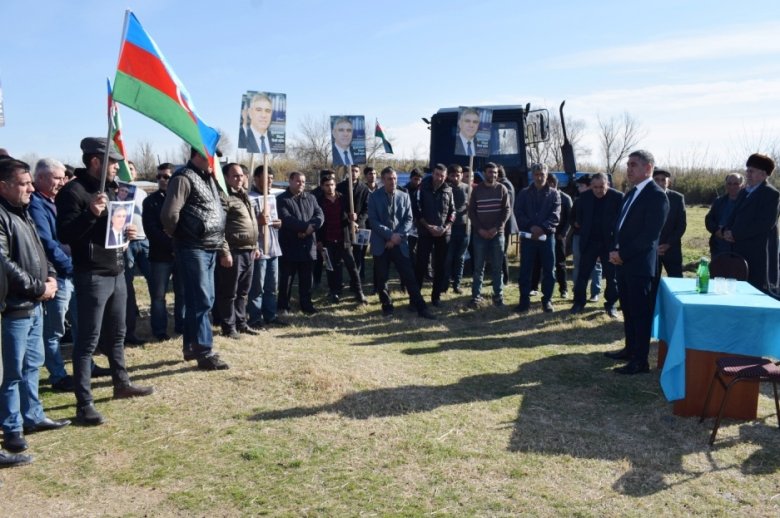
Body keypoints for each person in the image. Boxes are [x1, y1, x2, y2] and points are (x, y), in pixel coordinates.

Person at [57, 138, 155, 424]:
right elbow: (65, 234)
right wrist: (91, 213)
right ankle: (84, 403)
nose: (117, 167)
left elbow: (113, 228)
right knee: (87, 341)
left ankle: (121, 384)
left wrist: (128, 231)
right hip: (91, 274)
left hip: (117, 270)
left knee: (118, 334)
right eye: (112, 162)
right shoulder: (73, 192)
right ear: (96, 162)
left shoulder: (115, 189)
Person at [0, 158, 69, 453]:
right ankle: (12, 426)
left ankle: (33, 415)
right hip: (14, 307)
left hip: (35, 304)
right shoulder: (2, 215)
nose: (31, 188)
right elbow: (4, 262)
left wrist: (51, 276)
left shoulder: (24, 212)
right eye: (24, 183)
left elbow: (41, 250)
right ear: (3, 186)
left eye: (30, 182)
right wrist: (37, 287)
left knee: (32, 365)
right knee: (11, 372)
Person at [161, 147, 229, 371]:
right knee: (202, 300)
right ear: (198, 155)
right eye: (211, 157)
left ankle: (191, 346)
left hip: (208, 246)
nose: (214, 162)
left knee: (197, 299)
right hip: (192, 247)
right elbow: (169, 215)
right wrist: (181, 236)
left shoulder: (207, 178)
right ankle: (205, 351)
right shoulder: (183, 178)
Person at [606, 150, 669, 375]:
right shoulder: (631, 193)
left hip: (639, 265)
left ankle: (640, 361)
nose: (629, 168)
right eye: (628, 164)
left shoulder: (656, 195)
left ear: (648, 168)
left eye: (633, 164)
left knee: (641, 313)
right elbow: (619, 226)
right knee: (629, 310)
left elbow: (649, 235)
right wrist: (615, 250)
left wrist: (623, 254)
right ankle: (630, 349)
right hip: (623, 262)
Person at [28, 158, 75, 391]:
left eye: (63, 177)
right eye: (58, 177)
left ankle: (86, 365)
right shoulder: (36, 204)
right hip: (60, 274)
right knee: (54, 328)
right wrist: (67, 266)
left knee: (78, 323)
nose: (62, 181)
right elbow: (47, 242)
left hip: (73, 270)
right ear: (42, 178)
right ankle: (58, 375)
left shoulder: (57, 200)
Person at [368, 167, 435, 319]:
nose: (393, 181)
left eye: (395, 178)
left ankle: (421, 307)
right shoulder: (374, 197)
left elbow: (409, 219)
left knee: (409, 276)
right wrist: (390, 235)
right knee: (382, 278)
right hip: (382, 244)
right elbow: (373, 221)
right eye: (389, 179)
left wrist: (397, 236)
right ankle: (387, 306)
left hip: (399, 243)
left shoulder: (404, 195)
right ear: (383, 180)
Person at [723, 153, 780, 292]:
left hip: (758, 252)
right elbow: (734, 215)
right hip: (738, 250)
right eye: (747, 170)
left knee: (757, 289)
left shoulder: (771, 194)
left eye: (751, 171)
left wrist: (735, 233)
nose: (747, 174)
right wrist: (726, 230)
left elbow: (765, 224)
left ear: (763, 174)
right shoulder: (744, 192)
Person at [216, 163, 261, 339]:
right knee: (229, 292)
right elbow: (219, 227)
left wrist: (255, 246)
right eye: (235, 176)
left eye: (241, 175)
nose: (239, 178)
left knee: (243, 291)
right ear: (226, 178)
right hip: (233, 251)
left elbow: (252, 223)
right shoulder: (224, 197)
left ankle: (241, 323)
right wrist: (224, 252)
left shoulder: (245, 196)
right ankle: (228, 327)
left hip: (248, 250)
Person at [569, 172, 622, 317]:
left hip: (609, 243)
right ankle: (579, 303)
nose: (598, 190)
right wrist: (578, 225)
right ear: (591, 186)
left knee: (612, 276)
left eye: (601, 187)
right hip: (589, 242)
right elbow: (575, 216)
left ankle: (610, 304)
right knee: (582, 274)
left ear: (608, 185)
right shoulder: (584, 198)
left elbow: (622, 221)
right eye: (595, 187)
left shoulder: (618, 197)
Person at [142, 163, 184, 341]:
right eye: (158, 177)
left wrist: (178, 240)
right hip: (160, 256)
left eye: (165, 177)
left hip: (181, 253)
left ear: (174, 178)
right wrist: (171, 243)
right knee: (158, 295)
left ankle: (181, 325)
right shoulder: (150, 201)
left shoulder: (183, 198)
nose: (161, 180)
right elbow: (151, 229)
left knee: (182, 292)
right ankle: (159, 329)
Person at [515, 163, 561, 313]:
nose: (539, 177)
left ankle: (547, 300)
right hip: (528, 238)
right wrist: (531, 227)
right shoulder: (523, 193)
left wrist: (542, 228)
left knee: (549, 270)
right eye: (536, 174)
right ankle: (524, 301)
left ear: (546, 175)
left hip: (547, 238)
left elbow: (555, 215)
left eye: (542, 174)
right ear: (532, 175)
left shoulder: (555, 194)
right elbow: (518, 212)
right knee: (525, 270)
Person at [315, 174, 367, 303]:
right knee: (331, 267)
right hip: (327, 239)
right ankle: (334, 291)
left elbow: (350, 215)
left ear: (335, 185)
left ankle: (358, 291)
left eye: (332, 185)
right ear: (322, 187)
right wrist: (319, 240)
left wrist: (353, 219)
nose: (330, 188)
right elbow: (317, 222)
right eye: (327, 185)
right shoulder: (318, 201)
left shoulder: (344, 199)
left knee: (352, 265)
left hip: (344, 238)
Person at [277, 171, 323, 314]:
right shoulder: (282, 199)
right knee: (287, 278)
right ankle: (283, 306)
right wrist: (304, 227)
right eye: (298, 181)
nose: (301, 184)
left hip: (308, 245)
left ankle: (306, 304)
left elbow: (319, 215)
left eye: (303, 182)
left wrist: (311, 228)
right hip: (290, 244)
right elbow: (286, 218)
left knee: (306, 278)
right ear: (290, 181)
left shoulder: (311, 197)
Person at [247, 165, 286, 328]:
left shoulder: (272, 197)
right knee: (258, 286)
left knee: (272, 285)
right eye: (266, 177)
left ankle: (270, 315)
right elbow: (244, 224)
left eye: (271, 178)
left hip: (273, 246)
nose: (269, 181)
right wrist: (257, 221)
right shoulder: (249, 198)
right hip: (259, 247)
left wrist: (278, 223)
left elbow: (273, 220)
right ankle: (255, 317)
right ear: (256, 178)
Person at [468, 162, 511, 307]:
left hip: (497, 234)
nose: (493, 175)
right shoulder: (477, 190)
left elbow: (506, 211)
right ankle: (476, 296)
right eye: (490, 172)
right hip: (479, 234)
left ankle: (498, 296)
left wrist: (495, 228)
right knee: (478, 267)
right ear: (484, 173)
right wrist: (480, 229)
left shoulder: (502, 189)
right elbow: (472, 211)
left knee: (497, 267)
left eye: (495, 172)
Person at [413, 163, 454, 306]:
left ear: (445, 176)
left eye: (442, 176)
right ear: (433, 173)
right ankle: (416, 298)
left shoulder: (449, 189)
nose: (439, 178)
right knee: (421, 264)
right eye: (437, 174)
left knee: (441, 266)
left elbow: (453, 212)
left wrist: (445, 227)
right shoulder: (422, 187)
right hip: (425, 232)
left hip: (443, 233)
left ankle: (436, 297)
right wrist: (427, 226)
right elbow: (416, 210)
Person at [123, 161, 150, 347]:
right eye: (124, 168)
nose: (127, 171)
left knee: (155, 282)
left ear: (136, 173)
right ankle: (128, 331)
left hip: (144, 241)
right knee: (127, 287)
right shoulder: (118, 190)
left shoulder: (142, 193)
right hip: (127, 244)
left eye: (131, 169)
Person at [570, 175, 602, 302]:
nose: (579, 188)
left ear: (590, 186)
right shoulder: (578, 200)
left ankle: (595, 292)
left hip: (595, 238)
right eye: (578, 186)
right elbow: (571, 218)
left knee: (596, 265)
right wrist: (575, 223)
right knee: (578, 264)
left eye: (581, 186)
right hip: (578, 237)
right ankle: (577, 291)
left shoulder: (600, 200)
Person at [337, 165, 369, 284]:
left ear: (359, 173)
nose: (353, 173)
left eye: (356, 171)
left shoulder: (364, 188)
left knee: (359, 253)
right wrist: (349, 220)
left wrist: (357, 221)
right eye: (351, 171)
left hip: (360, 226)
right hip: (344, 226)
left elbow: (367, 208)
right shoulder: (340, 187)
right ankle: (339, 281)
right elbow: (338, 207)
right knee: (343, 254)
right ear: (347, 172)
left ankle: (356, 281)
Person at [653, 168, 687, 278]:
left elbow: (681, 225)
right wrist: (654, 246)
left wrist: (668, 244)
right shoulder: (645, 197)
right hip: (652, 249)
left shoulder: (677, 198)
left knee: (676, 279)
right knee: (652, 283)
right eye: (656, 179)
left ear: (668, 182)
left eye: (663, 180)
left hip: (672, 248)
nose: (660, 183)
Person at [443, 164, 471, 294]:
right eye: (452, 175)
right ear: (448, 176)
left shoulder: (468, 189)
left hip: (464, 228)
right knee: (448, 257)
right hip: (450, 228)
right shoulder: (446, 189)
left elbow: (472, 207)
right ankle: (444, 283)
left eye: (457, 175)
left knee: (460, 258)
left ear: (461, 175)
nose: (455, 177)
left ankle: (457, 284)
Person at [705, 173, 744, 258]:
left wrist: (734, 234)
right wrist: (716, 231)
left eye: (736, 184)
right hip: (718, 248)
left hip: (738, 249)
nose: (732, 187)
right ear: (725, 185)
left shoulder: (747, 202)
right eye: (729, 184)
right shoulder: (719, 201)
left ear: (742, 185)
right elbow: (709, 219)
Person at [497, 165, 519, 286]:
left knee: (502, 251)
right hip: (506, 223)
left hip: (505, 223)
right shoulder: (507, 183)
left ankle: (505, 278)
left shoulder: (505, 185)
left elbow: (506, 205)